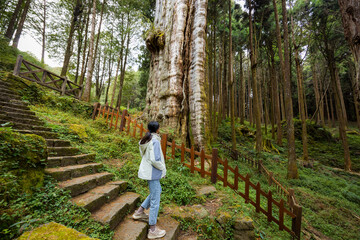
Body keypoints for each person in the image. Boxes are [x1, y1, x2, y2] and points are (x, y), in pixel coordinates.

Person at [132, 121, 167, 239]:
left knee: (155, 192)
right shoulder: (155, 141)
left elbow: (145, 156)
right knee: (155, 200)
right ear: (157, 129)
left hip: (148, 171)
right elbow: (155, 160)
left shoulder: (146, 139)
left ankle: (139, 212)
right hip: (152, 172)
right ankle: (152, 230)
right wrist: (163, 169)